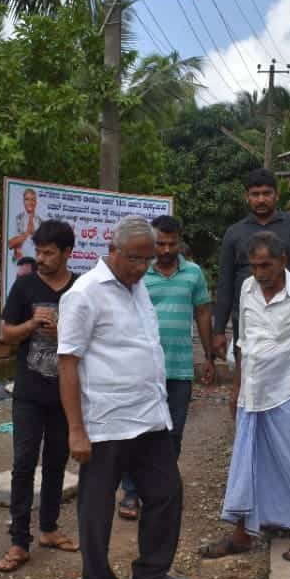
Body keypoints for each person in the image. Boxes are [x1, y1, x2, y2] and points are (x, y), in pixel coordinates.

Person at [58, 216, 193, 579]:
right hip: (104, 422)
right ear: (113, 251)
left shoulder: (139, 289)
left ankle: (150, 578)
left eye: (148, 260)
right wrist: (76, 429)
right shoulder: (85, 293)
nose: (142, 268)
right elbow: (67, 364)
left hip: (148, 418)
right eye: (135, 259)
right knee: (96, 510)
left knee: (167, 495)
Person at [201, 231, 290, 562]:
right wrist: (236, 386)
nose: (259, 273)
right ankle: (242, 534)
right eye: (253, 266)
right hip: (252, 392)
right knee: (246, 464)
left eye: (265, 265)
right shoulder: (247, 288)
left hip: (286, 391)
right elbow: (245, 341)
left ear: (283, 261)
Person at [0, 220, 81, 573]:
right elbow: (5, 334)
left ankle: (48, 528)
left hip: (66, 394)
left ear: (66, 253)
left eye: (49, 253)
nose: (42, 259)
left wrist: (64, 332)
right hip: (29, 393)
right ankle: (19, 542)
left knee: (57, 464)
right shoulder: (25, 286)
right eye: (39, 252)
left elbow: (93, 340)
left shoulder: (82, 289)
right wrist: (31, 325)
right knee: (23, 465)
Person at [117, 215, 215, 521]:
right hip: (142, 370)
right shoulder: (139, 273)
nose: (167, 249)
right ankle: (131, 493)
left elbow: (202, 313)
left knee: (172, 435)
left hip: (179, 368)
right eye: (161, 243)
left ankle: (159, 492)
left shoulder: (194, 273)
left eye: (172, 243)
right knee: (136, 432)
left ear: (180, 241)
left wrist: (210, 358)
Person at [213, 169, 290, 361]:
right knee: (247, 378)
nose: (261, 199)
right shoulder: (234, 232)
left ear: (276, 195)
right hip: (247, 321)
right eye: (255, 194)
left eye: (266, 193)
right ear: (247, 197)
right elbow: (225, 284)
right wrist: (219, 330)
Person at [8, 188, 45, 261]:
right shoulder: (18, 219)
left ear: (36, 202)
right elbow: (10, 244)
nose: (30, 202)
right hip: (19, 264)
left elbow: (44, 246)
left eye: (32, 199)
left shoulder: (40, 221)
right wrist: (27, 232)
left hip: (36, 264)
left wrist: (34, 233)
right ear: (23, 201)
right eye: (27, 199)